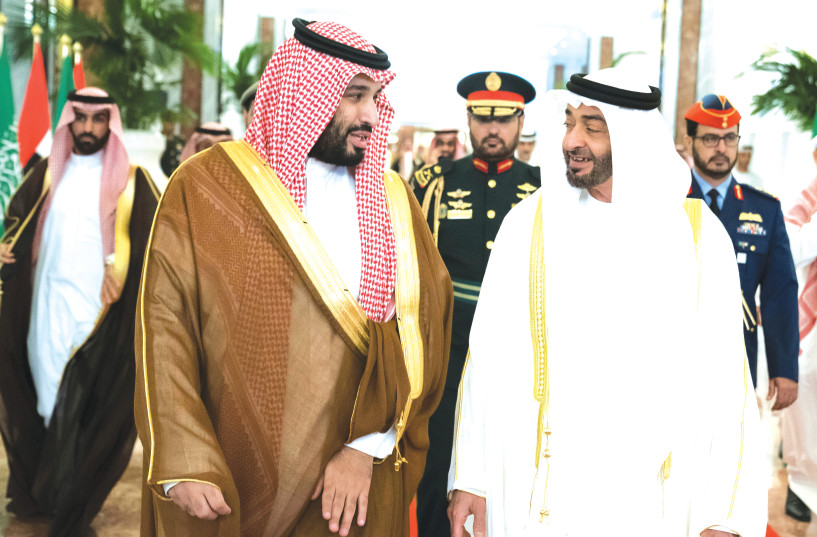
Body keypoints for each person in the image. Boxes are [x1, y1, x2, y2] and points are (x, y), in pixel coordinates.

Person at [134, 19, 452, 537]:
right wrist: (183, 459)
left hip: (348, 489)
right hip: (230, 469)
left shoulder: (394, 201)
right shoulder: (206, 187)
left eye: (375, 97)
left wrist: (364, 450)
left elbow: (422, 338)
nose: (370, 115)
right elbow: (164, 327)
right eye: (353, 95)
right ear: (304, 92)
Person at [448, 69, 766, 537]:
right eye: (569, 122)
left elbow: (727, 384)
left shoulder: (696, 237)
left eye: (593, 127)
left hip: (650, 500)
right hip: (543, 494)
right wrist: (471, 476)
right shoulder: (529, 225)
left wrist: (724, 515)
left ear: (631, 137)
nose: (572, 139)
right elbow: (486, 360)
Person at [0, 87, 160, 537]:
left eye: (98, 119)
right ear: (69, 122)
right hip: (45, 309)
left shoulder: (133, 181)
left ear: (111, 123)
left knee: (83, 405)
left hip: (99, 319)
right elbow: (17, 223)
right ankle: (44, 493)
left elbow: (157, 246)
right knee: (48, 400)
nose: (89, 128)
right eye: (81, 119)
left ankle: (71, 502)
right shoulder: (48, 175)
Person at [411, 71, 540, 537]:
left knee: (512, 472)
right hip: (446, 355)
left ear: (520, 120)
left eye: (504, 120)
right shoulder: (433, 182)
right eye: (483, 118)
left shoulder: (544, 188)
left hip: (519, 354)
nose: (493, 129)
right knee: (435, 471)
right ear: (468, 118)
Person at [684, 94, 799, 409]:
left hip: (737, 357)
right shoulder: (669, 200)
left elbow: (780, 292)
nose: (721, 148)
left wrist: (784, 368)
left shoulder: (764, 209)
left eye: (729, 138)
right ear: (689, 139)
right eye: (710, 138)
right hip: (675, 354)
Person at [781, 164, 817, 528]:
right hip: (816, 319)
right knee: (807, 383)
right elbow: (789, 246)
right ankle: (801, 482)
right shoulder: (812, 190)